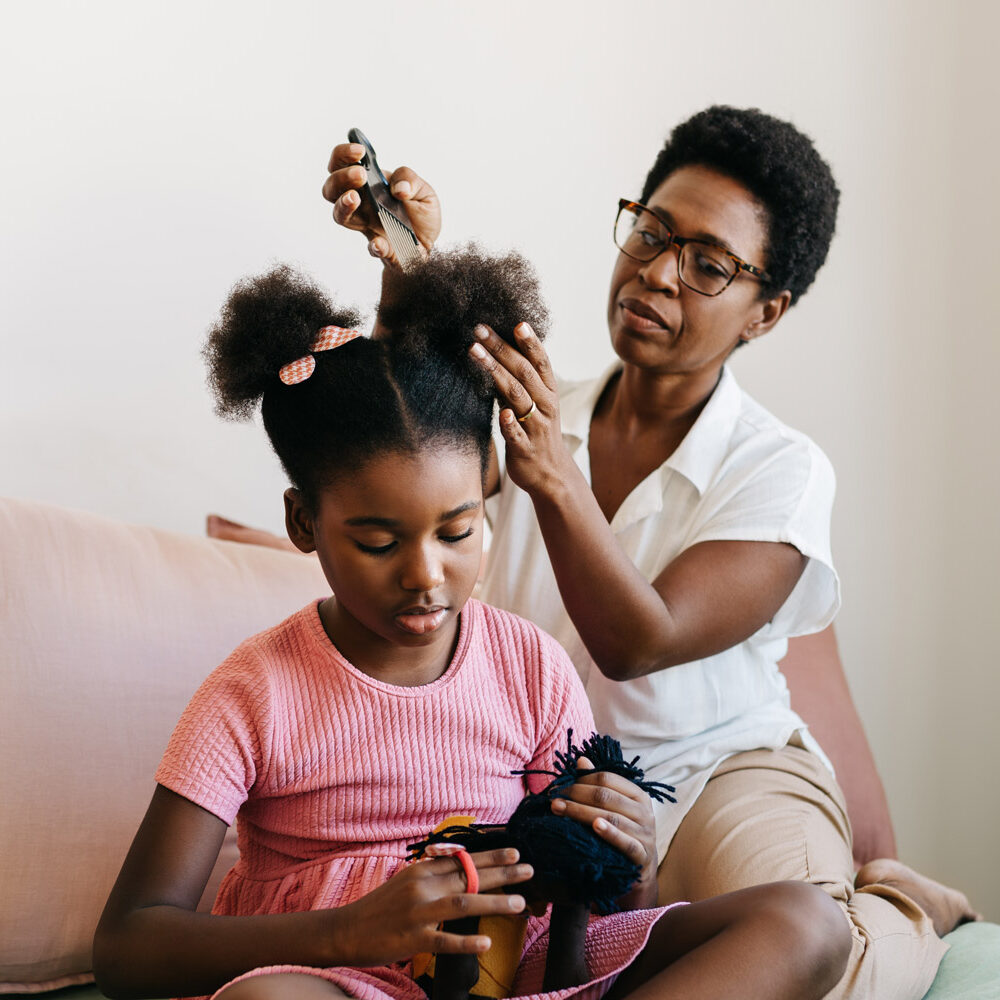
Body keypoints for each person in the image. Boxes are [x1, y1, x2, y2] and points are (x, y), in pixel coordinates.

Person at [321, 106, 977, 999]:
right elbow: (412, 448)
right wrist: (406, 275)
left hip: (716, 772)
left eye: (709, 265)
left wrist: (552, 474)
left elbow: (642, 641)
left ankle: (901, 903)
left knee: (817, 951)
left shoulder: (780, 469)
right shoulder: (539, 411)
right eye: (652, 232)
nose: (658, 273)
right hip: (536, 782)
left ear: (765, 313)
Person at [92, 246, 851, 1000]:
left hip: (522, 974)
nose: (426, 575)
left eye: (457, 533)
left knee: (808, 922)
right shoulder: (252, 692)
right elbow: (129, 946)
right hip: (336, 978)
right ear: (304, 523)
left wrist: (630, 860)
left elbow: (585, 917)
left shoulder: (529, 666)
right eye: (379, 543)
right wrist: (353, 930)